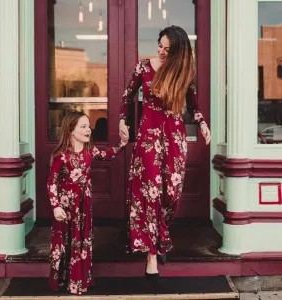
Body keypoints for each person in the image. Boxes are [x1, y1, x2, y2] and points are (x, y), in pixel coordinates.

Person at [119, 25, 211, 280]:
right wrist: (121, 123)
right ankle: (151, 254)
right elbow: (127, 98)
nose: (160, 51)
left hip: (174, 138)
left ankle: (161, 235)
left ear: (178, 52)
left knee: (171, 194)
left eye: (167, 49)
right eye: (159, 45)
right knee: (150, 193)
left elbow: (193, 105)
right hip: (148, 137)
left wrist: (202, 123)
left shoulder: (184, 73)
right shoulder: (143, 67)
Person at [47, 111, 128, 295]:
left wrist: (123, 142)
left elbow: (108, 154)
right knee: (66, 243)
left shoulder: (89, 152)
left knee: (82, 241)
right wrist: (56, 206)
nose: (88, 130)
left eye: (88, 126)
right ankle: (64, 281)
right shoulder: (62, 156)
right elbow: (51, 182)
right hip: (66, 208)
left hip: (83, 207)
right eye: (83, 127)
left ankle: (79, 281)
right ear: (70, 131)